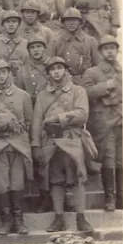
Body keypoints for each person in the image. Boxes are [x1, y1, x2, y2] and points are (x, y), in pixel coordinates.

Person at [31, 57, 94, 234]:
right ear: (48, 73)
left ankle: (81, 217)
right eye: (52, 69)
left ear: (66, 70)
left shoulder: (78, 91)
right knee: (55, 181)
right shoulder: (43, 95)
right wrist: (36, 145)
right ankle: (58, 218)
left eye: (60, 68)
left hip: (72, 139)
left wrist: (59, 118)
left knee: (76, 179)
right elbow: (36, 121)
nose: (56, 72)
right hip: (51, 142)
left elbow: (83, 114)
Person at [0, 60, 33, 236]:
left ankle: (19, 220)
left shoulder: (23, 95)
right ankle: (6, 220)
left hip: (17, 143)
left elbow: (28, 121)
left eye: (5, 72)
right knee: (1, 183)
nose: (2, 76)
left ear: (10, 73)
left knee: (17, 181)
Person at [82, 35, 123, 211]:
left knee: (122, 160)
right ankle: (110, 199)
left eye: (113, 48)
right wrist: (105, 86)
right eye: (106, 49)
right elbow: (86, 93)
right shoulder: (93, 72)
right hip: (104, 122)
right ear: (100, 52)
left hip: (122, 119)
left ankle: (122, 197)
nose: (110, 52)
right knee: (109, 159)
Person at [15, 33, 52, 213]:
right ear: (28, 50)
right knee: (37, 155)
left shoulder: (53, 65)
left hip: (52, 114)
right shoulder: (23, 70)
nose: (36, 50)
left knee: (54, 156)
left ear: (45, 48)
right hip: (32, 114)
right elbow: (19, 94)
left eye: (39, 47)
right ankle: (41, 196)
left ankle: (55, 196)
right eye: (32, 47)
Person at [47, 8, 100, 85]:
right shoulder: (56, 41)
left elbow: (98, 65)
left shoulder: (91, 41)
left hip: (84, 81)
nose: (71, 23)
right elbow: (49, 64)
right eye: (68, 20)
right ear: (63, 23)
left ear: (80, 22)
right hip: (61, 81)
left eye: (74, 20)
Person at [0, 10, 28, 79]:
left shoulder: (27, 44)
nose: (11, 24)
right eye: (7, 21)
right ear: (3, 24)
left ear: (19, 24)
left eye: (14, 21)